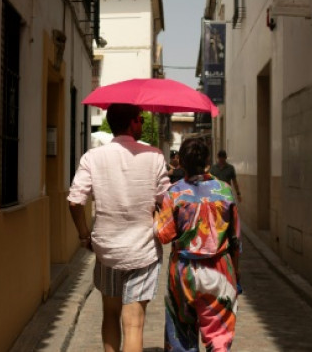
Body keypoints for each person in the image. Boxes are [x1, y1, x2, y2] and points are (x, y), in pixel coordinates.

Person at [68, 103, 169, 352]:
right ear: (132, 122)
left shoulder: (92, 157)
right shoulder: (154, 156)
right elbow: (167, 200)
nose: (142, 124)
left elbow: (74, 200)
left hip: (107, 251)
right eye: (141, 120)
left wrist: (84, 236)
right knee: (133, 324)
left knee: (110, 315)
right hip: (143, 252)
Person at [154, 137, 241, 352]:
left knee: (181, 337)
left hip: (183, 273)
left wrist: (154, 216)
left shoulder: (174, 193)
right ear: (207, 161)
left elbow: (164, 235)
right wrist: (236, 275)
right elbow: (236, 241)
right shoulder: (225, 191)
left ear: (181, 162)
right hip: (220, 270)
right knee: (219, 339)